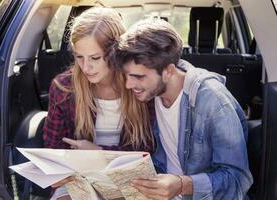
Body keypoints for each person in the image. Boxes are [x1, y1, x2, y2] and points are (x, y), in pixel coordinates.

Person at [109, 18, 253, 200]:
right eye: (127, 76)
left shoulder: (213, 101)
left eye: (138, 76)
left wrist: (182, 185)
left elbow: (238, 180)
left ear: (168, 71)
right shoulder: (153, 94)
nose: (129, 85)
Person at [42, 7, 154, 200]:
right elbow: (53, 146)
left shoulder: (138, 85)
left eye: (95, 58)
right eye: (79, 57)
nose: (86, 67)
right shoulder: (63, 87)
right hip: (77, 179)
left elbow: (149, 150)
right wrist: (56, 171)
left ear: (115, 53)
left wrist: (100, 153)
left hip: (129, 179)